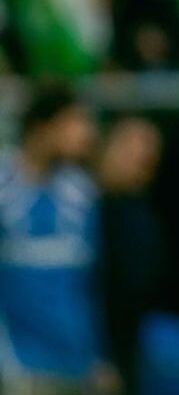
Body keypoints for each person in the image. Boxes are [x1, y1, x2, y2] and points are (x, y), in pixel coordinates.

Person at [0, 82, 113, 394]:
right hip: (19, 366)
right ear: (42, 128)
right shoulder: (4, 186)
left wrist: (99, 355)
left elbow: (89, 285)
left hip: (75, 365)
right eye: (74, 122)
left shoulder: (80, 191)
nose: (85, 133)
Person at [97, 116, 166, 395]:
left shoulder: (140, 218)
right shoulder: (79, 209)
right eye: (131, 151)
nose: (141, 160)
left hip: (124, 350)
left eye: (148, 160)